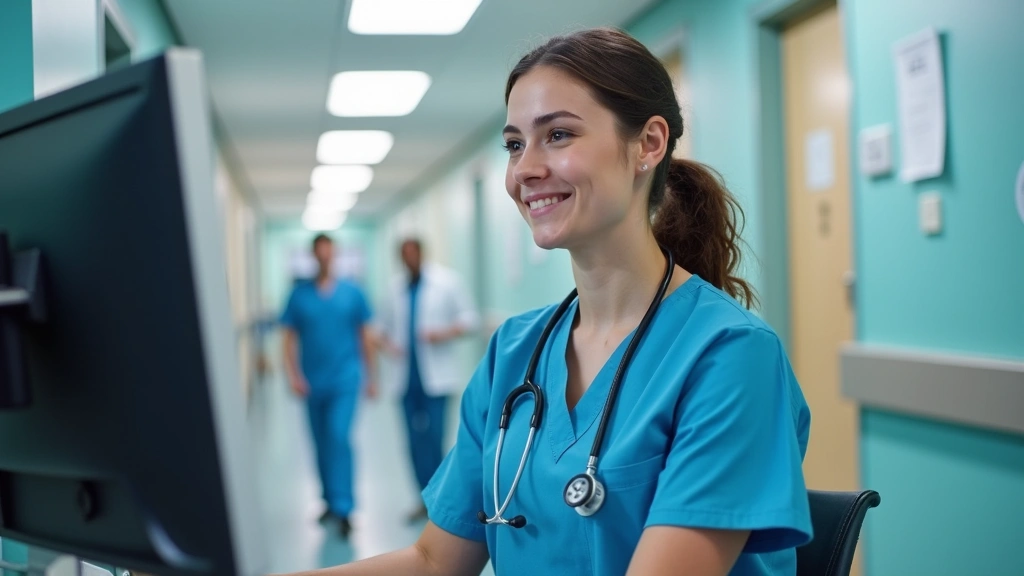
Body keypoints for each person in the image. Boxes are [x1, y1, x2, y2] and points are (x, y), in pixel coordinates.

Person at [278, 26, 811, 575]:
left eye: (557, 135)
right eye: (514, 144)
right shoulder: (515, 351)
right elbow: (435, 561)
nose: (525, 169)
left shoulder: (731, 357)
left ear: (649, 144)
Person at [375, 238, 479, 523]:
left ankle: (442, 499)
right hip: (405, 379)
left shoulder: (447, 282)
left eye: (413, 253)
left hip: (437, 379)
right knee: (412, 443)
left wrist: (442, 333)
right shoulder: (394, 288)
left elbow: (470, 320)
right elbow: (379, 328)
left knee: (435, 439)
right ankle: (423, 498)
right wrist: (388, 345)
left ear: (422, 253)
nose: (409, 259)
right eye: (404, 254)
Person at [280, 234, 377, 539]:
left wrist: (372, 376)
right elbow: (288, 338)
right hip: (313, 382)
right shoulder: (299, 295)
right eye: (319, 253)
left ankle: (345, 507)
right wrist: (293, 375)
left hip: (345, 379)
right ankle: (329, 501)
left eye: (329, 252)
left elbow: (365, 335)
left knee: (339, 436)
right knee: (320, 441)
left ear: (334, 255)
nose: (324, 257)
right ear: (313, 255)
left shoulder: (353, 292)